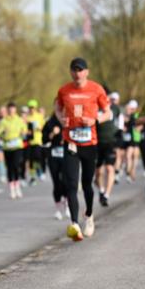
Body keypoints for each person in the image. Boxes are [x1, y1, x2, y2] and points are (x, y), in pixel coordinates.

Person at [56, 57, 109, 241]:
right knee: (70, 183)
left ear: (86, 72)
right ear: (71, 72)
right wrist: (60, 119)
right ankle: (75, 224)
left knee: (87, 183)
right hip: (71, 142)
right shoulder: (64, 90)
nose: (77, 73)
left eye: (80, 70)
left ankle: (89, 215)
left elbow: (108, 113)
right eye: (74, 70)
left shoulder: (96, 89)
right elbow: (57, 107)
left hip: (90, 143)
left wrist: (94, 120)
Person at [42, 99, 67, 219]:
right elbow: (44, 140)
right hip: (53, 154)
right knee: (56, 182)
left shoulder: (68, 120)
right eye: (57, 105)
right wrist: (52, 134)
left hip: (66, 154)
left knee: (66, 181)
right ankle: (58, 209)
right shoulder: (49, 122)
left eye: (61, 105)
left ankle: (67, 205)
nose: (59, 107)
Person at [95, 90, 120, 207]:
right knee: (99, 172)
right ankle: (101, 190)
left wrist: (119, 136)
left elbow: (120, 123)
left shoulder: (115, 108)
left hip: (111, 142)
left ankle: (106, 195)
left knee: (110, 169)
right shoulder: (95, 106)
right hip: (97, 142)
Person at [0, 101, 26, 199]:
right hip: (7, 146)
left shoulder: (19, 120)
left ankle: (17, 186)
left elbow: (24, 131)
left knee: (16, 165)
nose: (11, 111)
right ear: (7, 110)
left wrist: (23, 133)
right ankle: (12, 189)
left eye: (12, 109)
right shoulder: (4, 121)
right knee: (9, 167)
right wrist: (2, 135)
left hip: (17, 146)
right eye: (9, 109)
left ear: (15, 110)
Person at [121, 99, 141, 182]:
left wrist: (139, 128)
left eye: (132, 108)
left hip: (136, 138)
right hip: (129, 138)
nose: (131, 109)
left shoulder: (136, 115)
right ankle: (129, 172)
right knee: (129, 155)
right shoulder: (127, 115)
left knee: (135, 156)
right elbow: (123, 125)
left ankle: (132, 171)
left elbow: (140, 125)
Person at [25, 99, 46, 183]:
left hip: (38, 140)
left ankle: (39, 171)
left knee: (37, 157)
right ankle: (32, 176)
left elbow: (44, 127)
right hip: (30, 141)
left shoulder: (39, 116)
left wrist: (38, 128)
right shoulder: (27, 117)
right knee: (30, 160)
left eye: (32, 107)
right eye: (30, 108)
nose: (31, 109)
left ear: (35, 108)